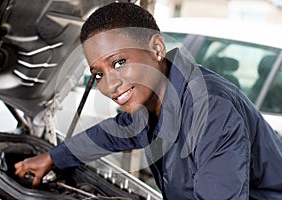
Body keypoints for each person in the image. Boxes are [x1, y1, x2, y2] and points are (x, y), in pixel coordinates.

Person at [14, 2, 282, 199]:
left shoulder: (211, 109)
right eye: (98, 74)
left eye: (119, 62)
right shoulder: (153, 101)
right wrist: (53, 157)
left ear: (156, 48)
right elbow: (111, 134)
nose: (109, 85)